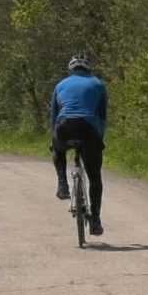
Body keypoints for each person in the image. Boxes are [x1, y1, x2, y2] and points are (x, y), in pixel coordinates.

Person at [51, 55, 108, 236]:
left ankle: (62, 184)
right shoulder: (98, 84)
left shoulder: (60, 85)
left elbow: (54, 116)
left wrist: (56, 139)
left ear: (71, 70)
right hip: (88, 129)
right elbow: (102, 116)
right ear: (88, 69)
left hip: (65, 127)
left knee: (57, 149)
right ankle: (96, 221)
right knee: (95, 177)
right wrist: (98, 140)